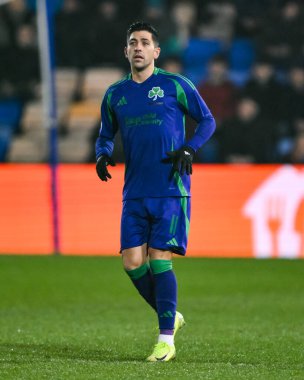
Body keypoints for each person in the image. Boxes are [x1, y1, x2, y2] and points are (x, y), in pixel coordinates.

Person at [95, 21, 216, 362]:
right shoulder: (115, 94)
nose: (138, 47)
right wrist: (102, 153)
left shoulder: (175, 85)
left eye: (144, 42)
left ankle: (165, 340)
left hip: (170, 189)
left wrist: (191, 148)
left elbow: (207, 120)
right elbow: (105, 133)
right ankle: (170, 315)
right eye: (132, 42)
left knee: (159, 260)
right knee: (133, 262)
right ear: (126, 50)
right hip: (134, 191)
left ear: (155, 51)